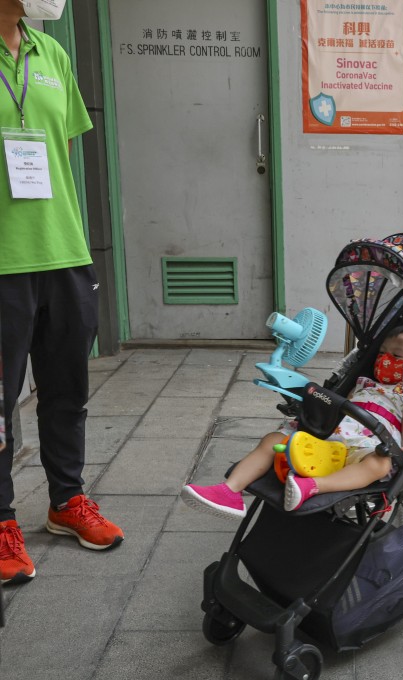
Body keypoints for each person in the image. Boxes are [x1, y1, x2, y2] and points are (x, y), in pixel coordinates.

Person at [0, 0, 125, 586]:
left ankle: (65, 501)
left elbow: (62, 153)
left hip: (64, 253)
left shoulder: (51, 51)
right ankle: (1, 520)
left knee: (66, 390)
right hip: (3, 262)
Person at [182, 324, 403, 515]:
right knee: (273, 439)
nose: (384, 359)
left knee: (380, 465)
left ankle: (313, 487)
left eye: (397, 357)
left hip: (367, 445)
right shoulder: (363, 383)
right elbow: (335, 407)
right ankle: (230, 491)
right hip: (325, 440)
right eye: (382, 352)